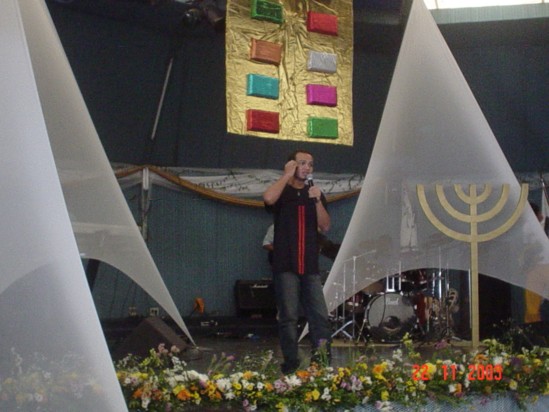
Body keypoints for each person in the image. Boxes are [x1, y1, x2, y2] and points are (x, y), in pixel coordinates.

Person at [263, 149, 332, 374]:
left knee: (319, 316)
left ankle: (322, 362)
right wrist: (286, 175)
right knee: (289, 317)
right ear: (291, 165)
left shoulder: (315, 193)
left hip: (310, 265)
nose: (307, 167)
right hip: (286, 264)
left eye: (310, 164)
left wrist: (317, 201)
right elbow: (268, 198)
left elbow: (325, 226)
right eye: (302, 163)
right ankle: (291, 363)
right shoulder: (282, 190)